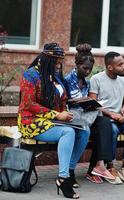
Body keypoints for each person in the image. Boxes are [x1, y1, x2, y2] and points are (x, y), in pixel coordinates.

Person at [18, 43, 90, 199]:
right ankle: (63, 178)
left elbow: (62, 98)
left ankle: (69, 170)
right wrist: (56, 115)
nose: (59, 65)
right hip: (30, 121)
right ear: (48, 60)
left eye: (60, 61)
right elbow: (28, 105)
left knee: (84, 130)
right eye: (57, 61)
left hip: (55, 120)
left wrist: (64, 111)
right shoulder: (30, 76)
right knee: (68, 132)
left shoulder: (55, 75)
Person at [64, 43, 115, 185]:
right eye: (85, 68)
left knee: (105, 124)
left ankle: (99, 165)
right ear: (77, 64)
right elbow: (67, 102)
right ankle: (73, 170)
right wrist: (78, 102)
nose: (87, 72)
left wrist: (92, 104)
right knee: (94, 128)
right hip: (72, 118)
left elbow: (86, 103)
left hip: (85, 117)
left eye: (90, 69)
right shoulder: (68, 80)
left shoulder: (86, 83)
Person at [89, 51, 124, 185]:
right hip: (104, 119)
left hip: (120, 117)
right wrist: (111, 114)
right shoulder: (96, 79)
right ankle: (110, 166)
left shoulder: (123, 80)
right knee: (113, 130)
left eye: (123, 63)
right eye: (120, 64)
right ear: (110, 67)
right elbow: (93, 104)